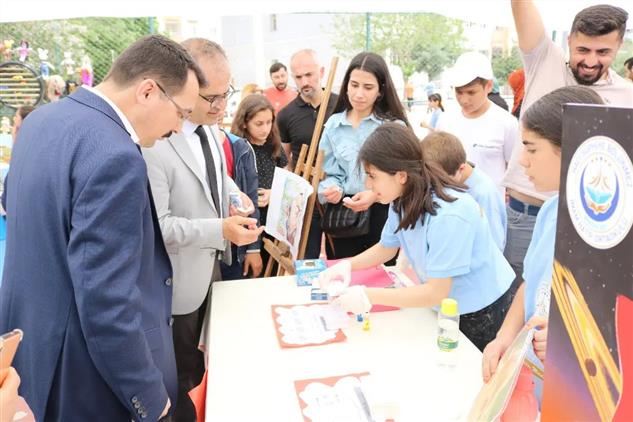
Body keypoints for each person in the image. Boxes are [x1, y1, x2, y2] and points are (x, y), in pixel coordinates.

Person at [0, 34, 206, 421]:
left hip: (31, 348)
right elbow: (106, 300)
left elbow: (18, 208)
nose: (178, 128)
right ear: (148, 92)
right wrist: (149, 396)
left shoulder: (42, 120)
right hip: (84, 373)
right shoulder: (115, 155)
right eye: (181, 112)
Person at [142, 38, 262, 421]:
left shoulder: (209, 129)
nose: (221, 106)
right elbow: (158, 226)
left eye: (225, 94)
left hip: (210, 271)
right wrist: (220, 230)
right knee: (180, 377)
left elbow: (217, 177)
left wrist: (236, 194)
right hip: (176, 286)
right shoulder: (156, 142)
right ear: (184, 85)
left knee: (206, 365)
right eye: (211, 97)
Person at [319, 123, 514, 351]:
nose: (368, 185)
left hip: (481, 309)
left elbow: (436, 291)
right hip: (446, 304)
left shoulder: (450, 214)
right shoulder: (401, 197)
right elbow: (387, 247)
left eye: (373, 176)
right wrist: (346, 265)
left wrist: (367, 295)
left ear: (401, 175)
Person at [482, 86, 604, 397]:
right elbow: (531, 282)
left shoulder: (615, 233)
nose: (522, 161)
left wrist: (573, 341)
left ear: (570, 147)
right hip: (535, 385)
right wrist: (504, 337)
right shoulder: (550, 210)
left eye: (531, 148)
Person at [502, 1, 632, 290]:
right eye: (582, 50)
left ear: (619, 46)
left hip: (587, 227)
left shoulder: (627, 97)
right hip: (528, 214)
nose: (590, 61)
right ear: (569, 39)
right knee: (518, 299)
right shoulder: (543, 59)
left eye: (603, 52)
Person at [318, 52, 410, 262]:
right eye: (354, 85)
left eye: (368, 87)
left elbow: (406, 177)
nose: (359, 94)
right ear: (346, 85)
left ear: (380, 91)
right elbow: (329, 173)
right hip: (344, 214)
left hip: (383, 213)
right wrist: (333, 189)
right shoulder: (333, 125)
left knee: (382, 277)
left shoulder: (393, 128)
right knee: (344, 275)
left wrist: (374, 195)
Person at [277, 48, 339, 258]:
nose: (304, 82)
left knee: (339, 260)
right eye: (298, 77)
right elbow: (286, 160)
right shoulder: (286, 115)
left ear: (321, 72)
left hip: (336, 195)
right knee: (306, 260)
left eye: (309, 75)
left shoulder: (342, 106)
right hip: (306, 200)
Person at [435, 52, 518, 196]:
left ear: (489, 86)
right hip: (451, 206)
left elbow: (514, 168)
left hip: (489, 210)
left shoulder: (506, 123)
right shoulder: (445, 120)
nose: (464, 100)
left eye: (471, 92)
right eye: (459, 92)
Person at [421, 130, 507, 251]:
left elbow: (494, 245)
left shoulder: (484, 194)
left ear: (461, 168)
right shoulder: (450, 174)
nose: (439, 187)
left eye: (444, 182)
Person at [231, 94, 289, 267]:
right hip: (248, 222)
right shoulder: (238, 149)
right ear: (244, 123)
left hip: (274, 222)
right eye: (259, 124)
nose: (265, 129)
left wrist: (274, 193)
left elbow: (285, 176)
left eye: (269, 122)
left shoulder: (273, 144)